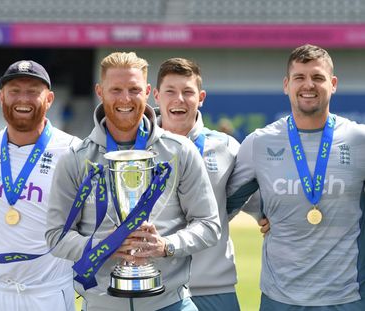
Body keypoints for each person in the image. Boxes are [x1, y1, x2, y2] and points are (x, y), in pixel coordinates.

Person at [46, 51, 221, 311]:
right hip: (101, 305)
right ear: (100, 91)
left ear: (148, 91)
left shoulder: (180, 151)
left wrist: (166, 246)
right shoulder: (76, 159)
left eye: (134, 89)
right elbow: (55, 237)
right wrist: (105, 246)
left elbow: (209, 225)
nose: (125, 99)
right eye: (115, 89)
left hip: (170, 302)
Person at [227, 44, 365, 310]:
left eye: (318, 77)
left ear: (333, 84)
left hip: (347, 298)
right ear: (286, 85)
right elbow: (224, 203)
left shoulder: (359, 140)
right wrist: (262, 212)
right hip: (280, 299)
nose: (308, 85)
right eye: (300, 77)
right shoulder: (259, 142)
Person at [0, 60, 80, 311]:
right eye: (14, 90)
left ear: (49, 98)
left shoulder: (73, 150)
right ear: (1, 96)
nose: (22, 99)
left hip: (47, 293)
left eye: (33, 91)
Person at [153, 57, 242, 310]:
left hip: (215, 288)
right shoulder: (140, 150)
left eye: (188, 92)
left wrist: (264, 218)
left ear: (201, 97)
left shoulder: (227, 148)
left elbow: (255, 201)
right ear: (157, 96)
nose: (179, 99)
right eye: (170, 91)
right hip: (159, 292)